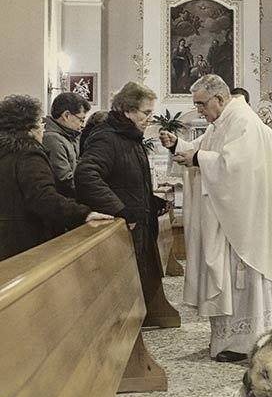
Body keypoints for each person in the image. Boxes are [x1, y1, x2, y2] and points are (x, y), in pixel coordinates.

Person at [159, 75, 272, 362]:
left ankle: (246, 343)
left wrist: (199, 160)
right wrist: (178, 146)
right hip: (231, 217)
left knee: (244, 280)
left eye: (201, 103)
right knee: (233, 279)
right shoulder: (222, 122)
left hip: (244, 222)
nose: (198, 110)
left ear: (219, 99)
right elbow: (202, 149)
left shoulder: (243, 121)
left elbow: (235, 166)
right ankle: (233, 341)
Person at [75, 82, 176, 327]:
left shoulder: (130, 137)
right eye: (146, 113)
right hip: (125, 227)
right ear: (127, 110)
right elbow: (86, 174)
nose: (150, 118)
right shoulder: (108, 138)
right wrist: (120, 209)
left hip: (139, 222)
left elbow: (127, 180)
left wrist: (149, 201)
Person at [0, 94, 111, 262]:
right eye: (39, 123)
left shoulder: (6, 152)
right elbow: (43, 197)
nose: (43, 127)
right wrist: (83, 213)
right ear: (29, 128)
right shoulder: (29, 155)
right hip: (23, 238)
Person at [43, 91, 91, 197]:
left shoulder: (68, 135)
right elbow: (65, 180)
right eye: (81, 120)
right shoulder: (52, 139)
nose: (82, 125)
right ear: (66, 115)